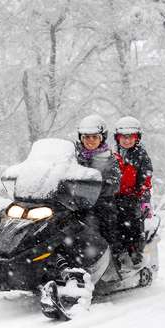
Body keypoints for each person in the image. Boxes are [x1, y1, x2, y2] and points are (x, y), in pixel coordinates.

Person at [55, 114, 121, 282]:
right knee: (57, 223)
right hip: (73, 203)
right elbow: (60, 171)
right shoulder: (73, 157)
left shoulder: (109, 159)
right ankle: (58, 260)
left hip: (100, 203)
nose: (90, 140)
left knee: (95, 223)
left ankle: (107, 263)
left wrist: (100, 186)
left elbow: (114, 182)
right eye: (86, 137)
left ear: (102, 138)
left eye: (94, 137)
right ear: (81, 138)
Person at [113, 116, 153, 267]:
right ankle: (113, 251)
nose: (127, 140)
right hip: (112, 196)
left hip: (131, 197)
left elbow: (145, 179)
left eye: (131, 137)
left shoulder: (141, 156)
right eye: (123, 137)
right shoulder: (112, 154)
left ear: (137, 138)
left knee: (130, 221)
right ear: (117, 138)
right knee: (107, 219)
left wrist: (143, 199)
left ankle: (134, 250)